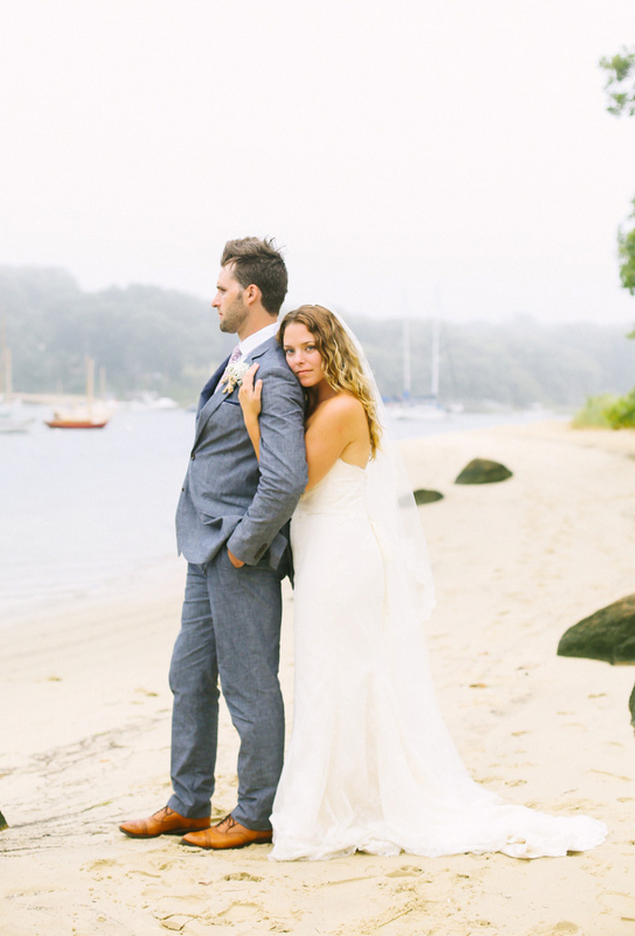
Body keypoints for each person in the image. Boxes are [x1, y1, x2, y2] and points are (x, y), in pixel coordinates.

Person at [237, 304, 607, 861]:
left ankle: (336, 806)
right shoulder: (330, 404)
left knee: (332, 676)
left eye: (308, 347)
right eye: (289, 350)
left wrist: (250, 419)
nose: (298, 359)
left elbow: (293, 484)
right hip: (332, 555)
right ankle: (348, 796)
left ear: (331, 347)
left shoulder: (339, 409)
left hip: (343, 558)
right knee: (339, 675)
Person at [119, 239, 308, 850]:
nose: (214, 299)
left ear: (250, 295)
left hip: (237, 552)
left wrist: (242, 547)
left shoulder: (275, 373)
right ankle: (189, 802)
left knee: (251, 685)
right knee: (189, 675)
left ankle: (255, 815)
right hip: (204, 547)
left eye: (222, 289)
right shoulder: (241, 358)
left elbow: (285, 477)